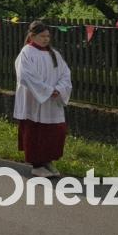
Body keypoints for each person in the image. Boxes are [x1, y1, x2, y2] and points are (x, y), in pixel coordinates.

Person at [14, 21, 72, 178]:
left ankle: (47, 160)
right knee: (36, 130)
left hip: (52, 101)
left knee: (54, 131)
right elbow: (25, 76)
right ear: (32, 36)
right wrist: (47, 90)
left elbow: (65, 74)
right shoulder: (26, 53)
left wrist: (58, 89)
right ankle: (36, 164)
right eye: (42, 36)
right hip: (34, 101)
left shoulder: (54, 54)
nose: (46, 39)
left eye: (48, 36)